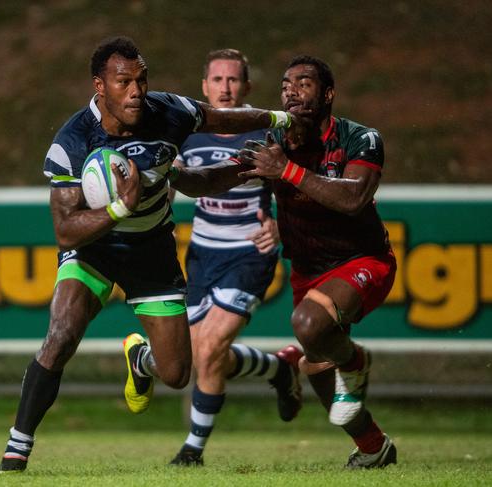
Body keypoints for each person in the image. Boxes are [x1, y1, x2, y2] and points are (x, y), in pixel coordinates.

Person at [0, 36, 307, 473]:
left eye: (141, 80)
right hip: (94, 249)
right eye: (124, 82)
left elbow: (221, 121)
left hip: (151, 251)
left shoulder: (169, 112)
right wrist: (121, 207)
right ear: (100, 86)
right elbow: (66, 230)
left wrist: (278, 118)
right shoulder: (73, 141)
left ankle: (141, 359)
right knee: (61, 334)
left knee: (177, 373)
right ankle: (16, 451)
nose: (136, 91)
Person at [238, 55, 398, 469]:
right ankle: (373, 448)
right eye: (286, 84)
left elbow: (352, 198)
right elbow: (224, 175)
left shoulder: (360, 138)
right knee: (318, 371)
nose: (291, 90)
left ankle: (356, 361)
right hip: (309, 271)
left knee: (308, 325)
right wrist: (169, 172)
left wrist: (286, 171)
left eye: (304, 82)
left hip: (363, 260)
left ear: (328, 93)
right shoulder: (276, 140)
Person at [168, 49, 303, 467]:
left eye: (232, 80)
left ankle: (193, 449)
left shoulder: (266, 130)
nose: (225, 88)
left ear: (246, 88)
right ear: (203, 86)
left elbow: (302, 186)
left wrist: (282, 226)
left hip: (250, 252)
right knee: (199, 356)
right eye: (217, 80)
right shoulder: (186, 132)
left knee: (209, 349)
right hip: (203, 254)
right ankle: (278, 370)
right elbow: (167, 186)